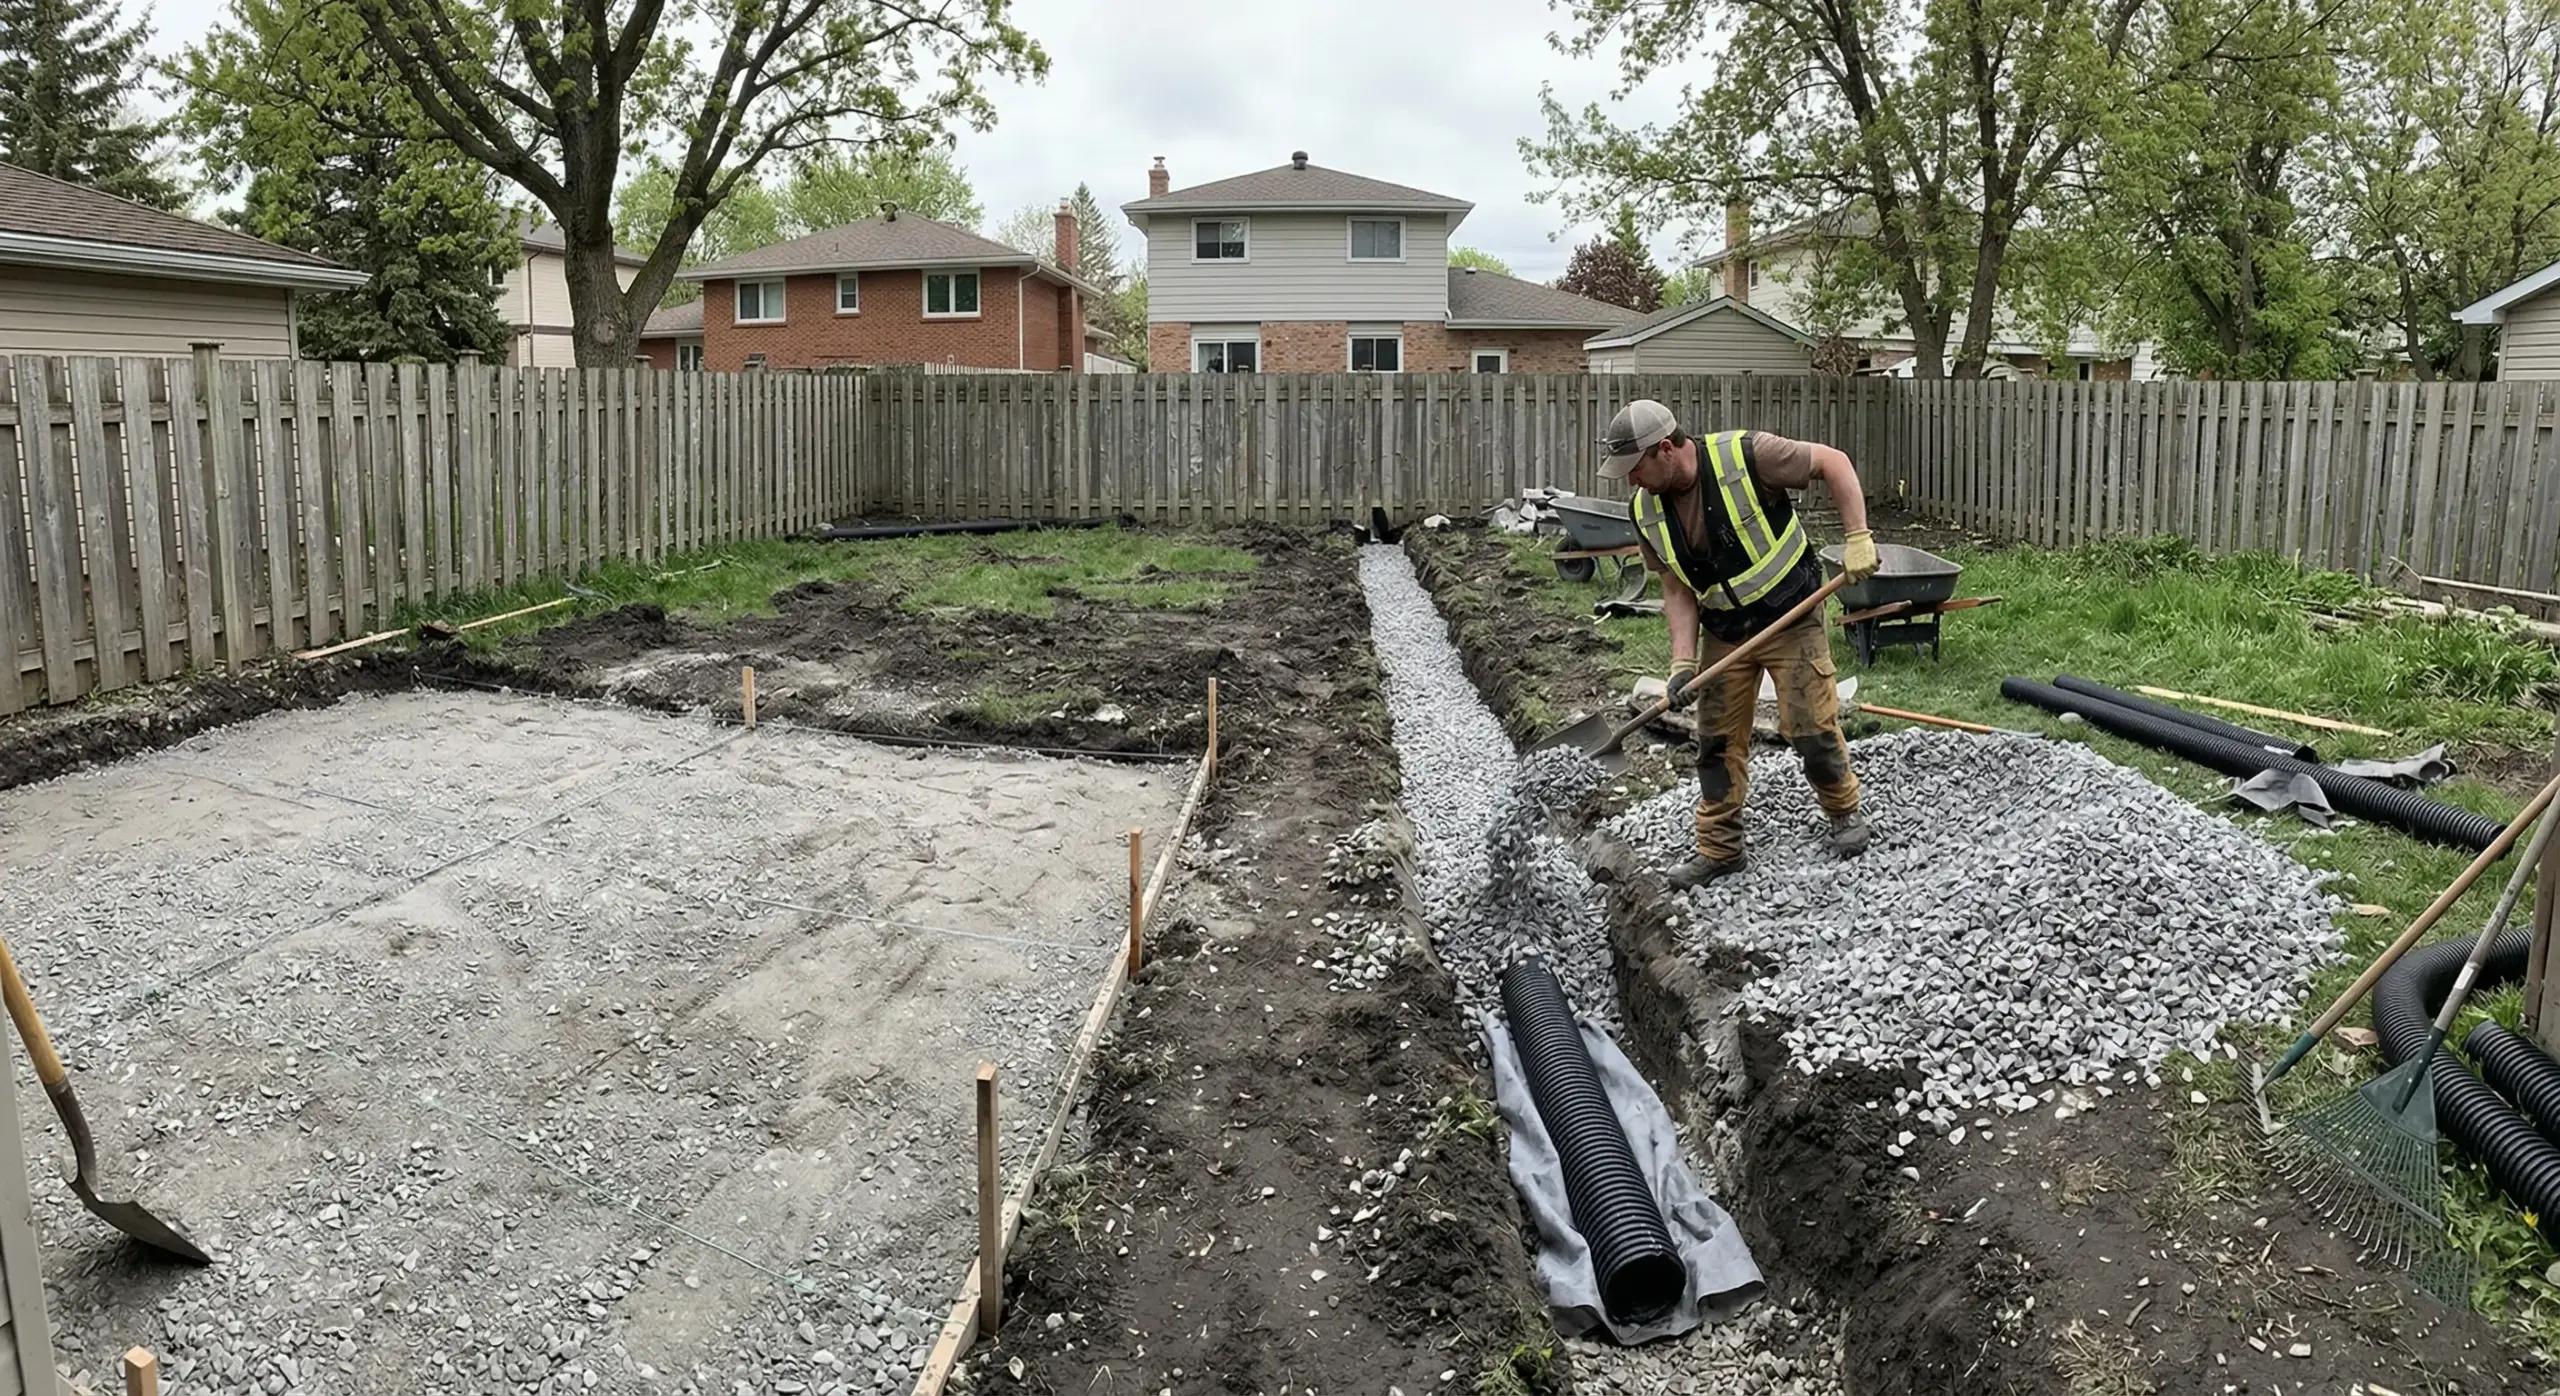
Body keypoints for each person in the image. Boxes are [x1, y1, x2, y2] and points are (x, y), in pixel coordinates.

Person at [1598, 398, 1881, 888]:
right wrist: (1682, 660)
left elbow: (1833, 462)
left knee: (1810, 728)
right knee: (1715, 741)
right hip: (1725, 631)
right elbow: (1675, 586)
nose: (1630, 481)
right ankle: (1720, 848)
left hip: (1791, 614)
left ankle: (1843, 812)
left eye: (1635, 468)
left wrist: (1859, 537)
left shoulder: (1749, 455)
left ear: (1666, 449)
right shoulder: (1644, 510)